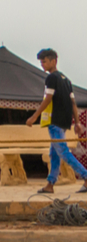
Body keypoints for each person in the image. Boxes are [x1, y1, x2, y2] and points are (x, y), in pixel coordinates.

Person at [28, 48, 87, 194]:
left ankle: (86, 175)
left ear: (53, 61)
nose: (42, 65)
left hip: (55, 121)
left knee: (63, 152)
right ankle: (50, 184)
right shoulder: (66, 80)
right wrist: (77, 122)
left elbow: (48, 99)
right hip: (64, 121)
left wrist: (34, 116)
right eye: (41, 62)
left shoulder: (51, 78)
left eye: (44, 62)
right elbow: (73, 103)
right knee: (54, 154)